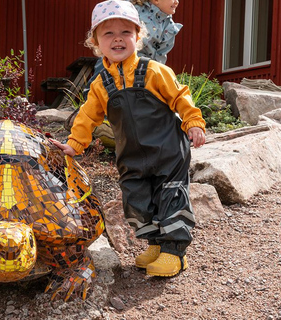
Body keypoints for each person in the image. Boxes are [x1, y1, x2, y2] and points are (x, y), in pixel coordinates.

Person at [52, 0, 206, 277]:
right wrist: (74, 144)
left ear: (138, 36)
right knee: (138, 199)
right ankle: (156, 245)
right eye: (108, 33)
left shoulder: (154, 71)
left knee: (170, 195)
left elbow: (180, 96)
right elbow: (88, 117)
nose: (118, 38)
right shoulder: (100, 85)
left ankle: (175, 252)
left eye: (126, 32)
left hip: (168, 150)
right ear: (96, 42)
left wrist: (193, 122)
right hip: (132, 157)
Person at [83, 0, 182, 98]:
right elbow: (117, 19)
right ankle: (91, 95)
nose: (177, 2)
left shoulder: (169, 26)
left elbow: (161, 52)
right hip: (119, 53)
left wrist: (157, 73)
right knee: (106, 70)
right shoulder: (135, 9)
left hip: (144, 63)